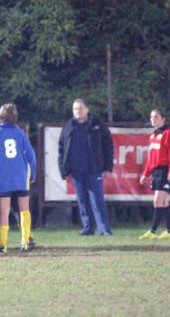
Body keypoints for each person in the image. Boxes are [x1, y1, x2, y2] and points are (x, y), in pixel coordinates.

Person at [0, 104, 36, 252]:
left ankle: (2, 245)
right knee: (24, 210)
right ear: (15, 118)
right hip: (21, 176)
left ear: (0, 117)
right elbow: (31, 156)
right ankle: (25, 241)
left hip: (3, 177)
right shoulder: (20, 133)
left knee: (4, 211)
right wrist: (33, 174)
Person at [58, 98, 114, 236]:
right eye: (75, 109)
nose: (78, 111)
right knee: (82, 201)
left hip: (94, 169)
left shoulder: (97, 124)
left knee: (97, 200)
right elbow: (61, 149)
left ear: (87, 109)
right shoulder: (69, 126)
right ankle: (88, 228)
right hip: (76, 171)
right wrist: (63, 170)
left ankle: (104, 229)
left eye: (80, 108)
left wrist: (107, 167)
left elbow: (108, 146)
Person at [139, 108, 170, 239]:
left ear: (163, 118)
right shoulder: (153, 135)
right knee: (164, 202)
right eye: (151, 117)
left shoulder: (169, 133)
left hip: (164, 170)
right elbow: (151, 158)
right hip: (156, 172)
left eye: (156, 116)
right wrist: (146, 173)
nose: (153, 119)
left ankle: (153, 231)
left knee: (157, 200)